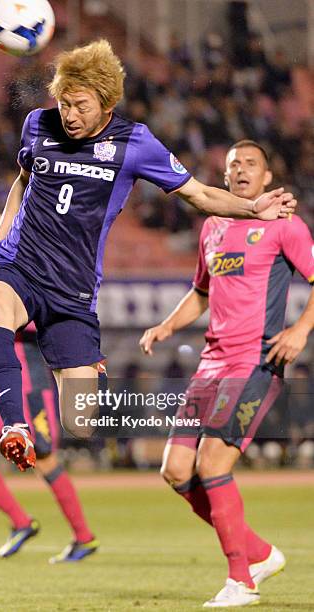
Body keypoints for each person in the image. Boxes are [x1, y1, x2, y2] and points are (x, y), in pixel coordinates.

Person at [0, 40, 296, 471]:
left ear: (106, 103)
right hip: (20, 263)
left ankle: (87, 380)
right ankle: (16, 427)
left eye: (81, 106)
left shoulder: (135, 143)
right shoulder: (38, 125)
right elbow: (22, 182)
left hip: (72, 288)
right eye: (64, 103)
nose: (69, 115)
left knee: (80, 422)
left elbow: (198, 194)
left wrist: (254, 208)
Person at [139, 140, 314, 608]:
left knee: (212, 465)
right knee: (176, 470)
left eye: (250, 165)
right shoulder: (213, 227)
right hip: (210, 363)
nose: (239, 170)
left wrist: (299, 329)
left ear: (266, 179)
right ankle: (257, 553)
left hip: (254, 360)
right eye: (233, 164)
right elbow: (200, 292)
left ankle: (242, 581)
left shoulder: (284, 226)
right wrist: (165, 325)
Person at [0, 216, 98, 563]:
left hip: (29, 379)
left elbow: (36, 320)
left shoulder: (33, 269)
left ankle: (83, 536)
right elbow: (3, 330)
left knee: (45, 458)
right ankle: (20, 522)